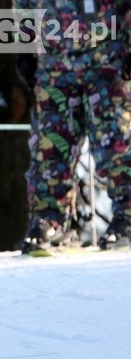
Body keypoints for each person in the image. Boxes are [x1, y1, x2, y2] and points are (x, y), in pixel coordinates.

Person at [16, 0, 131, 253]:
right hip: (54, 64)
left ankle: (127, 216)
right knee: (50, 146)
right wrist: (23, 48)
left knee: (115, 141)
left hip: (107, 59)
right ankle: (51, 220)